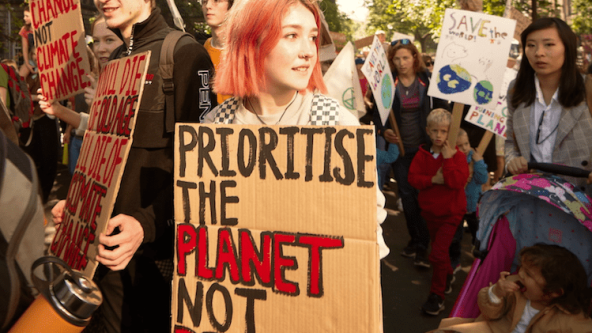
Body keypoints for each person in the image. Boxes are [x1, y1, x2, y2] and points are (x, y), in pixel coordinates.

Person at [45, 0, 217, 331]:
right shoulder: (118, 60)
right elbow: (103, 153)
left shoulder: (185, 55)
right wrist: (79, 203)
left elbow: (203, 167)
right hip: (99, 254)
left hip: (151, 264)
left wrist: (146, 224)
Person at [203, 0, 390, 261]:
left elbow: (367, 223)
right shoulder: (214, 127)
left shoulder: (334, 123)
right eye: (291, 35)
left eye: (312, 37)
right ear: (251, 42)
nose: (308, 52)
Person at [373, 39, 450, 267]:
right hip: (401, 151)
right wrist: (384, 130)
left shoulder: (427, 80)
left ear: (415, 58)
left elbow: (442, 109)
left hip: (425, 150)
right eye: (397, 59)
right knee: (407, 198)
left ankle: (423, 245)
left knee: (423, 197)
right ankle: (416, 240)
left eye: (406, 57)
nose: (401, 62)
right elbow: (378, 113)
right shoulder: (389, 83)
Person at [505, 17, 592, 193]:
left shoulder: (587, 88)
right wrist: (512, 160)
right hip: (533, 196)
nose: (539, 53)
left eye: (549, 45)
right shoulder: (516, 89)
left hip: (581, 198)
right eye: (531, 45)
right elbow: (510, 143)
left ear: (567, 48)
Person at [435, 243, 592, 332]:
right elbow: (490, 313)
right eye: (521, 268)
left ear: (554, 292)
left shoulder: (569, 317)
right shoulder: (514, 288)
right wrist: (496, 293)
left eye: (529, 274)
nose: (521, 274)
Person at [408, 108, 469, 316]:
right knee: (439, 254)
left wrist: (449, 160)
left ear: (450, 132)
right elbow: (413, 178)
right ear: (427, 131)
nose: (438, 136)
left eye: (443, 131)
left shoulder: (458, 157)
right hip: (430, 213)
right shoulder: (422, 154)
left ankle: (437, 296)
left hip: (451, 214)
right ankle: (448, 274)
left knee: (438, 254)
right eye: (434, 131)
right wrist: (432, 180)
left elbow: (456, 182)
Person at [448, 128, 487, 284]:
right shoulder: (453, 159)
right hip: (457, 207)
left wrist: (478, 162)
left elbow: (483, 178)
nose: (465, 148)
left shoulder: (474, 157)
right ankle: (455, 260)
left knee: (477, 233)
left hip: (472, 206)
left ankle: (479, 254)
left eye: (467, 144)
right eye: (460, 145)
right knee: (455, 238)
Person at [202, 0, 233, 104]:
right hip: (208, 118)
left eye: (217, 0)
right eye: (204, 1)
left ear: (232, 5)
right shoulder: (204, 48)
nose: (208, 6)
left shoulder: (244, 51)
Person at [18, 8, 35, 79]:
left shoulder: (42, 27)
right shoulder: (24, 29)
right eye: (24, 16)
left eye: (27, 16)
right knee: (19, 78)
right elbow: (24, 48)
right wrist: (27, 64)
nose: (24, 18)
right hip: (32, 59)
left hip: (44, 59)